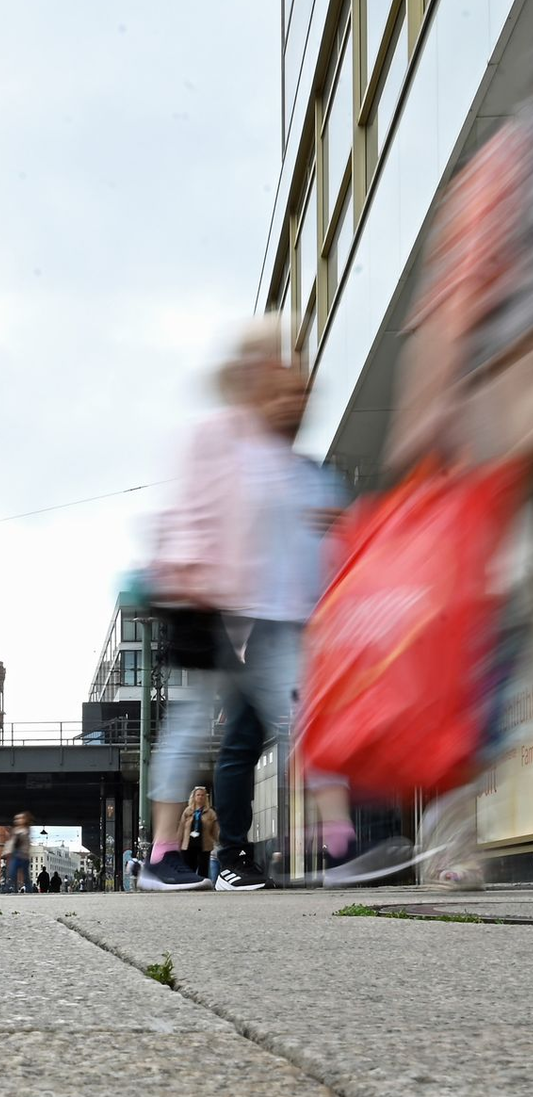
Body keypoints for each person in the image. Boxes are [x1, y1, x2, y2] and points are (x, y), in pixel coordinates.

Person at [140, 324, 353, 891]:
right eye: (266, 364)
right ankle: (167, 852)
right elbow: (191, 512)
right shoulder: (218, 435)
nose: (276, 374)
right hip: (220, 609)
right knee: (206, 730)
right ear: (245, 373)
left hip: (264, 612)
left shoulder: (270, 450)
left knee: (305, 718)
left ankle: (340, 841)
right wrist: (189, 582)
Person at [177, 786, 219, 881]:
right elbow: (181, 827)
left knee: (203, 867)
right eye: (198, 795)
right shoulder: (188, 811)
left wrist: (218, 840)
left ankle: (202, 884)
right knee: (188, 866)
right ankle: (188, 883)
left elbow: (215, 829)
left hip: (204, 845)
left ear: (206, 797)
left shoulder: (210, 813)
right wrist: (177, 841)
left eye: (203, 795)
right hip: (188, 844)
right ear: (194, 797)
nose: (200, 797)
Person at [4, 813, 32, 894]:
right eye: (16, 819)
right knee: (12, 873)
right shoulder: (16, 830)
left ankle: (29, 891)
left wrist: (11, 832)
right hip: (16, 855)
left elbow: (19, 839)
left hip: (23, 855)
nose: (17, 821)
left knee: (25, 876)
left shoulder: (25, 830)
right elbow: (11, 843)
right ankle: (9, 889)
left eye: (19, 819)